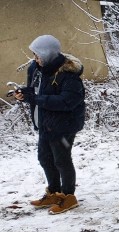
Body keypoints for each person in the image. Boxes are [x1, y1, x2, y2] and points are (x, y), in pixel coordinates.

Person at [15, 35, 86, 215]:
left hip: (63, 127)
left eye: (37, 55)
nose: (34, 58)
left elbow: (66, 102)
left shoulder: (68, 75)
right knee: (45, 159)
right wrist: (25, 93)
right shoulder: (37, 69)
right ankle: (54, 192)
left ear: (47, 54)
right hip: (45, 124)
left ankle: (68, 196)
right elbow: (37, 91)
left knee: (61, 160)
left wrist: (36, 98)